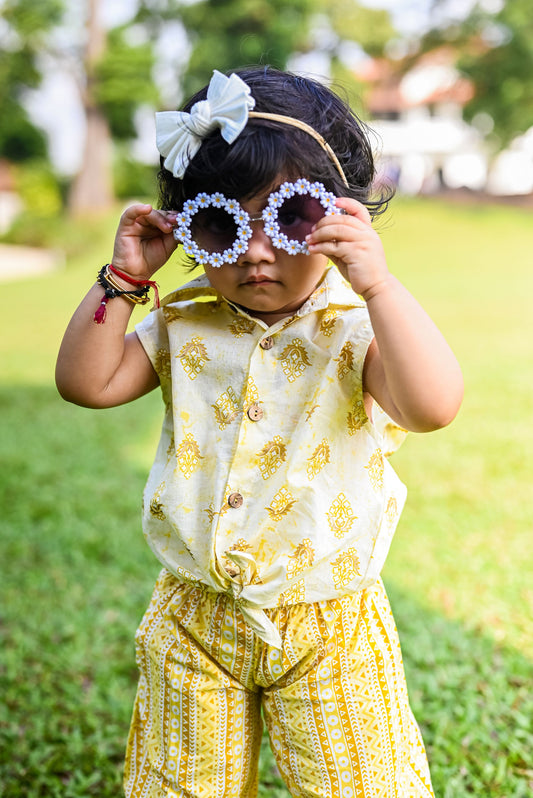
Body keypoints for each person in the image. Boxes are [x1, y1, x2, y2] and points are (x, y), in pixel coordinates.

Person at [56, 66, 463, 798]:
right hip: (195, 616)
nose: (253, 251)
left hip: (332, 621)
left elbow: (432, 406)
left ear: (339, 216)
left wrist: (378, 285)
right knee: (179, 786)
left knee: (361, 786)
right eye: (220, 224)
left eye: (290, 217)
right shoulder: (183, 321)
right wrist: (122, 280)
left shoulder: (357, 326)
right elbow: (88, 384)